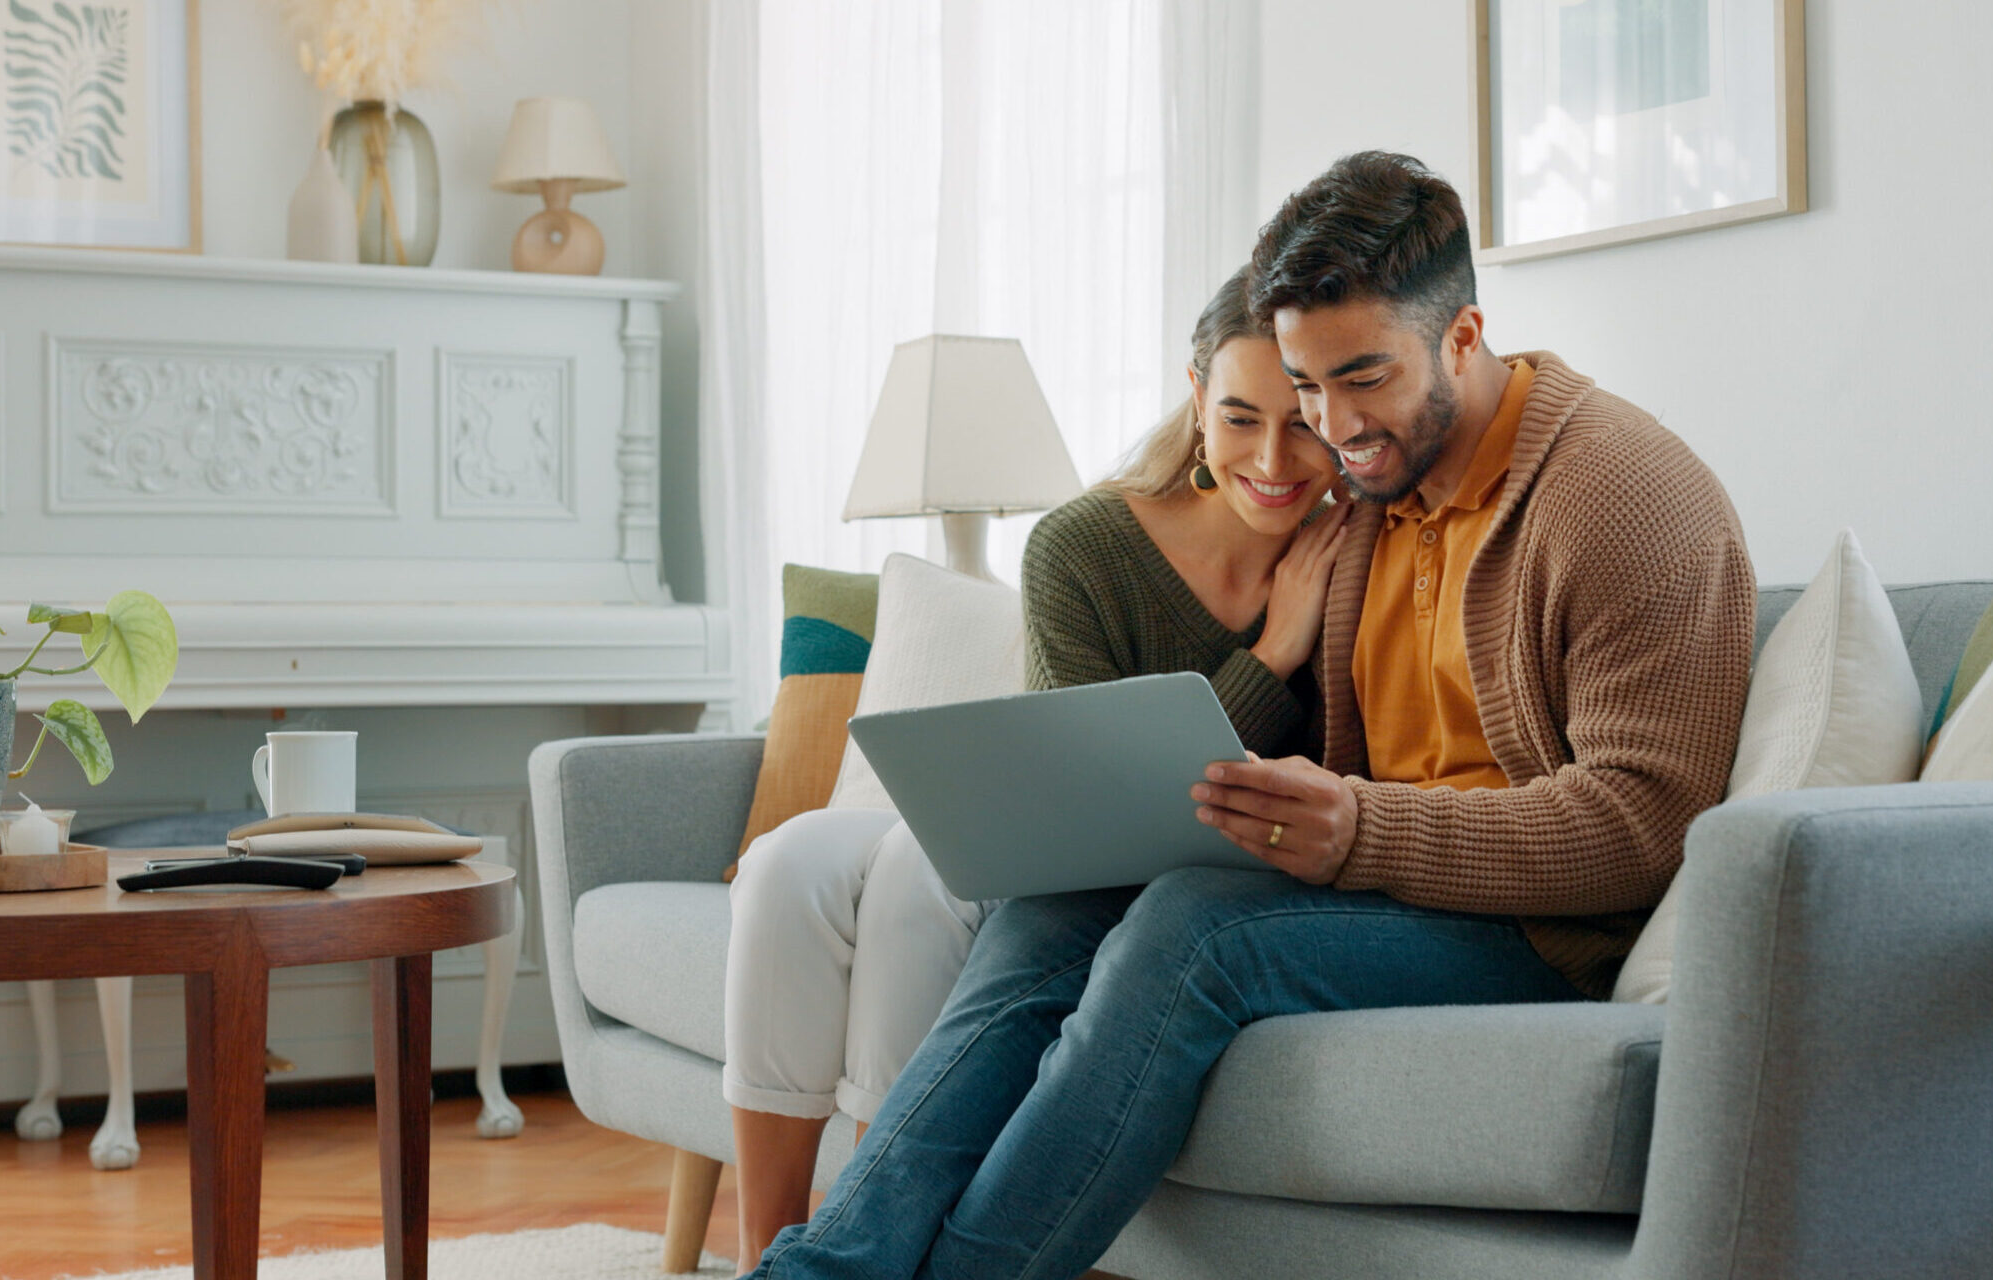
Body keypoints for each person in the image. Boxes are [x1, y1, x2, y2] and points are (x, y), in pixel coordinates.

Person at [746, 151, 1756, 1280]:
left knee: (1194, 929)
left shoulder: (1621, 497)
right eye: (1305, 383)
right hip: (1384, 887)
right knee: (1054, 909)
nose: (1331, 426)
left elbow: (1643, 827)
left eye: (1359, 378)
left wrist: (1365, 831)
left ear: (1464, 337)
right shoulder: (1370, 494)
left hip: (1539, 929)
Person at [720, 267, 1349, 1271]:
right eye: (1238, 418)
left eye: (1302, 423)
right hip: (1079, 867)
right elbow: (1094, 815)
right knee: (812, 869)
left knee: (946, 901)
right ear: (1194, 400)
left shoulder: (1355, 553)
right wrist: (1271, 658)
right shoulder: (1085, 545)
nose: (1273, 458)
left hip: (1227, 884)